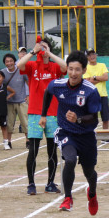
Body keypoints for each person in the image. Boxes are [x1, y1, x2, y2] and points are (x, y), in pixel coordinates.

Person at [40, 50, 101, 214]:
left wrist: (78, 119)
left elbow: (95, 119)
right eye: (71, 69)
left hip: (86, 135)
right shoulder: (57, 85)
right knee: (71, 160)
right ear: (66, 69)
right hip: (66, 132)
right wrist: (44, 114)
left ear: (84, 71)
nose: (73, 73)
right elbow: (47, 93)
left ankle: (92, 193)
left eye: (77, 70)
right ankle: (68, 197)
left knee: (89, 172)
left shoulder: (90, 91)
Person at [17, 38, 67, 195]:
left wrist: (50, 53)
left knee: (52, 150)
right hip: (34, 113)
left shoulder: (54, 66)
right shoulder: (32, 65)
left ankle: (50, 183)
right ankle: (31, 184)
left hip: (53, 113)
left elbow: (64, 66)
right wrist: (33, 51)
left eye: (45, 47)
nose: (42, 49)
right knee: (33, 149)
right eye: (41, 47)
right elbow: (20, 65)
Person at [1, 53, 29, 149]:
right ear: (4, 63)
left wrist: (29, 95)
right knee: (9, 123)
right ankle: (8, 142)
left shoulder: (21, 70)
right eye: (7, 61)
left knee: (25, 122)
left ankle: (28, 141)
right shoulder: (2, 73)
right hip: (9, 102)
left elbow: (29, 83)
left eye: (11, 61)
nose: (9, 63)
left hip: (22, 101)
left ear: (14, 61)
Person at [82, 48, 109, 130]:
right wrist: (100, 79)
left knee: (105, 117)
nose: (92, 56)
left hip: (103, 95)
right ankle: (91, 135)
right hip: (91, 96)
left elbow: (106, 77)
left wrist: (94, 77)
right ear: (87, 57)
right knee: (92, 117)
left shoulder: (102, 65)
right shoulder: (86, 67)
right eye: (89, 55)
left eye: (93, 54)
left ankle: (105, 137)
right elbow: (87, 82)